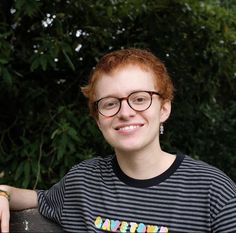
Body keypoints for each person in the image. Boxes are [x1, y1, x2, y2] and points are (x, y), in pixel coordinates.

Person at [0, 48, 236, 233]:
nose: (125, 112)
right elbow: (37, 198)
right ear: (97, 119)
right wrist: (4, 193)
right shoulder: (82, 183)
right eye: (110, 103)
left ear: (164, 109)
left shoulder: (214, 192)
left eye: (140, 98)